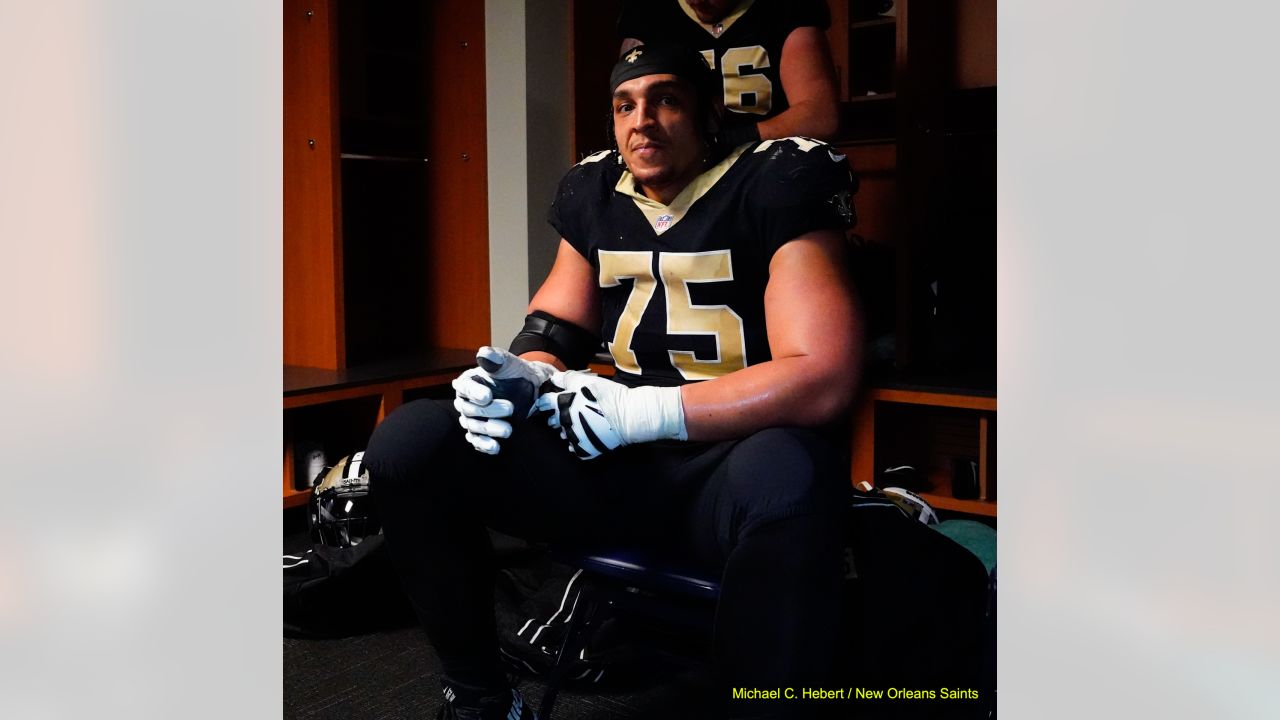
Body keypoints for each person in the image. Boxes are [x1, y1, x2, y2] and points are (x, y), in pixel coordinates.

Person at [365, 45, 861, 720]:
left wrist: (640, 412)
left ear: (708, 112)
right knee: (410, 441)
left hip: (726, 463)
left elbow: (822, 376)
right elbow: (554, 330)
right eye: (626, 105)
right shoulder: (597, 188)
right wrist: (523, 381)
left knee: (791, 475)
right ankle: (480, 697)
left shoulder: (773, 181)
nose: (642, 122)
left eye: (666, 100)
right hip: (613, 465)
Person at [617, 0, 840, 146]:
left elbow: (820, 116)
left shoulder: (786, 9)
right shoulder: (647, 13)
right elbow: (627, 108)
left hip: (772, 165)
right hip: (683, 173)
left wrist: (727, 142)